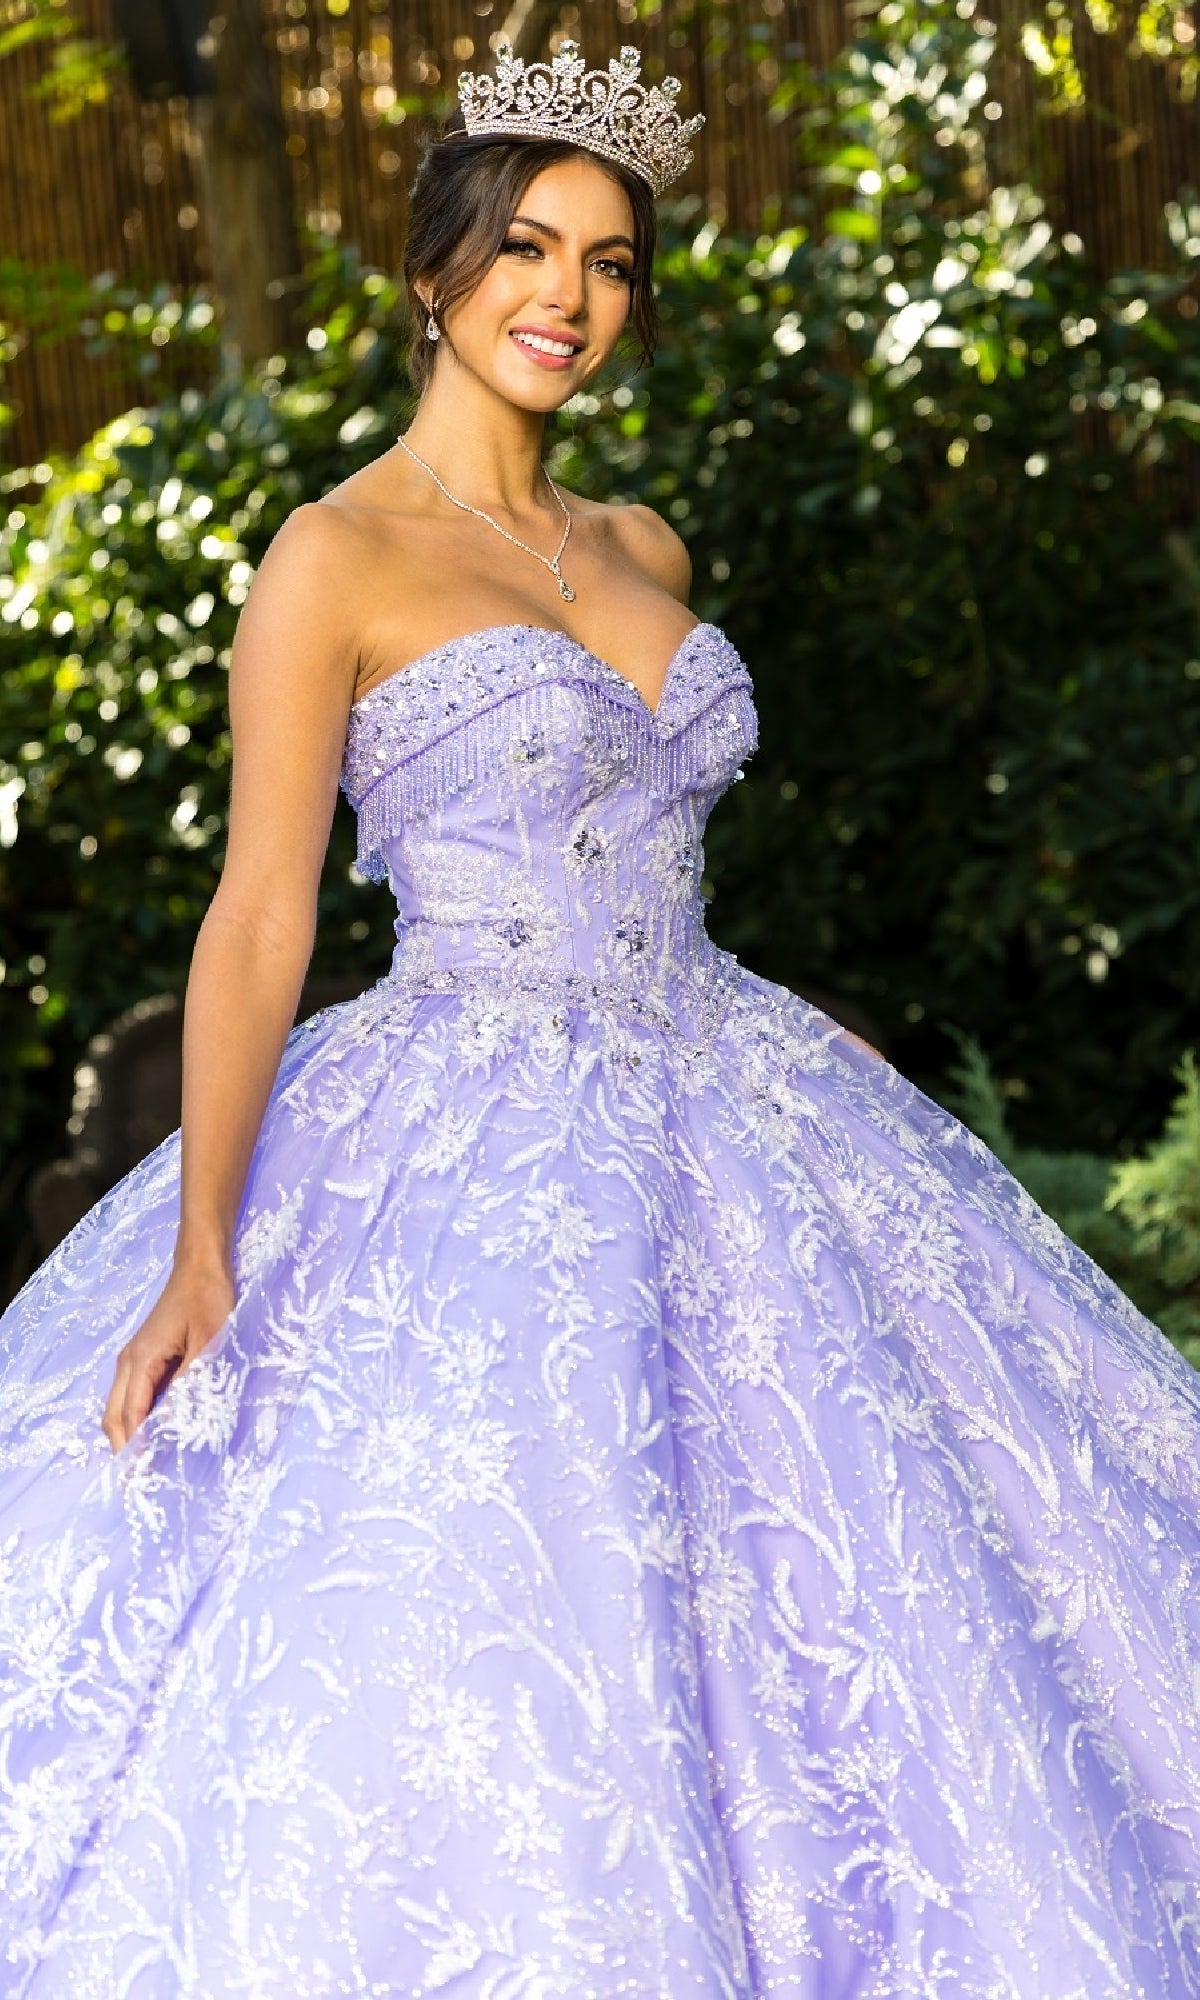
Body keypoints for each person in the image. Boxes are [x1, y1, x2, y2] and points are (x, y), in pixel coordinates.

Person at [3, 34, 1200, 2000]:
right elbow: (260, 915)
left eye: (613, 261)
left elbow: (638, 854)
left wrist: (803, 1021)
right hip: (466, 1114)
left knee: (869, 1584)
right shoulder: (336, 558)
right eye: (529, 249)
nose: (569, 296)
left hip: (736, 1094)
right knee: (528, 1591)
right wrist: (209, 1236)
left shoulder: (646, 546)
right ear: (435, 274)